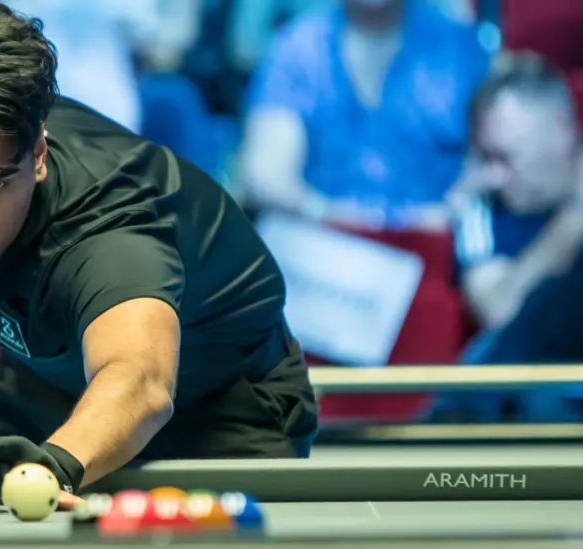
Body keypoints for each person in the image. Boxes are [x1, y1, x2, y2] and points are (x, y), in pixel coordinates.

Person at [0, 0, 318, 514]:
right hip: (45, 380)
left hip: (216, 414)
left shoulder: (107, 233)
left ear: (38, 156)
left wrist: (58, 463)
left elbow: (140, 378)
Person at [239, 0, 489, 229]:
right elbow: (264, 174)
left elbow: (489, 163)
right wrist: (326, 213)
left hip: (435, 244)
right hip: (319, 241)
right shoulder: (295, 49)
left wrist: (449, 211)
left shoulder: (461, 50)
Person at [439, 51, 583, 421]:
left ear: (560, 129)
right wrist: (573, 222)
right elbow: (499, 310)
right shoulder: (481, 209)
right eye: (484, 158)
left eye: (504, 157)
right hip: (530, 394)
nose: (492, 177)